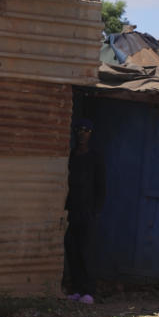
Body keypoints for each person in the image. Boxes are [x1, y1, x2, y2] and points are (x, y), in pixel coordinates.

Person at [63, 117, 105, 304]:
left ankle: (89, 291)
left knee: (86, 252)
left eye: (86, 131)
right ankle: (77, 290)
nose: (82, 135)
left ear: (91, 135)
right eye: (79, 131)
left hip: (87, 213)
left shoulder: (95, 159)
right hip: (71, 211)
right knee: (72, 251)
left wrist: (95, 210)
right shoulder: (71, 156)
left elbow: (101, 187)